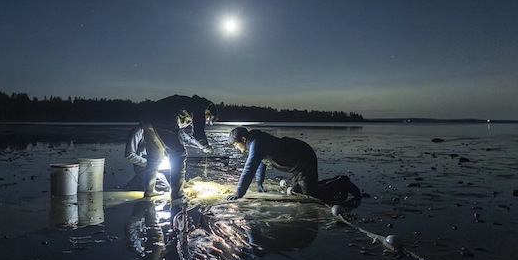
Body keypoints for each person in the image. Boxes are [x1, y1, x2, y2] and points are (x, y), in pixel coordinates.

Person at [225, 127, 361, 202]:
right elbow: (261, 163)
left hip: (302, 157)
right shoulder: (255, 143)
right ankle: (336, 181)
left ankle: (343, 183)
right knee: (298, 191)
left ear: (243, 139)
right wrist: (259, 184)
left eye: (236, 145)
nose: (237, 148)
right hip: (295, 164)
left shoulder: (256, 143)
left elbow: (250, 168)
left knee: (311, 194)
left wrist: (239, 193)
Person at [140, 95, 217, 199]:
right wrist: (206, 146)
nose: (206, 121)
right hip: (162, 120)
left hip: (148, 119)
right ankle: (177, 194)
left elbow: (180, 134)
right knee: (179, 154)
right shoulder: (200, 107)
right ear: (208, 112)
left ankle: (149, 190)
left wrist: (198, 145)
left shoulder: (190, 105)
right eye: (207, 119)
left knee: (155, 156)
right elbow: (198, 134)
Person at [124, 124, 170, 192]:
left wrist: (165, 158)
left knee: (167, 186)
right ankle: (135, 183)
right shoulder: (138, 131)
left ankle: (138, 183)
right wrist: (150, 164)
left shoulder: (157, 129)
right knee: (163, 186)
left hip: (155, 168)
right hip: (144, 168)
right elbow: (129, 155)